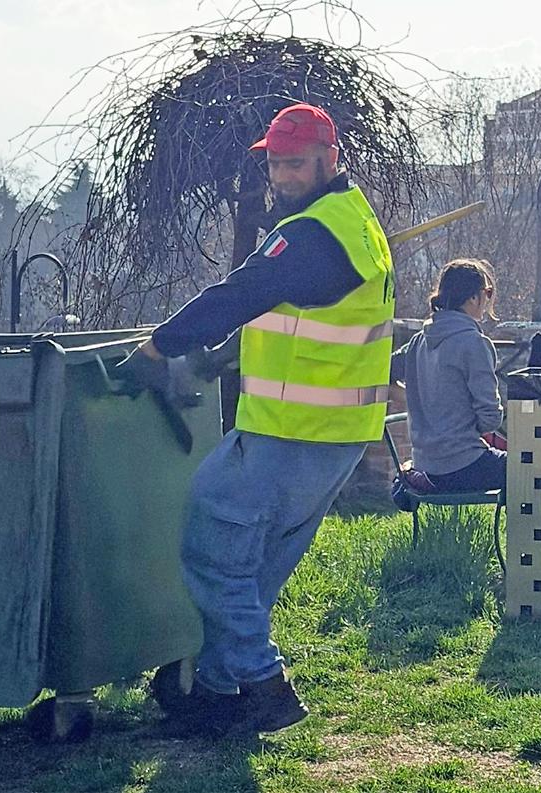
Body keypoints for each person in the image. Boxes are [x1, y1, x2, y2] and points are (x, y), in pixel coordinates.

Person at [118, 103, 394, 736]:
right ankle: (216, 691)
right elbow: (298, 317)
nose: (283, 176)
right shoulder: (354, 222)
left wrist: (161, 346)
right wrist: (222, 356)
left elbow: (239, 295)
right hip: (337, 433)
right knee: (255, 566)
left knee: (212, 553)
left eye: (295, 163)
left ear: (332, 159)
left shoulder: (312, 234)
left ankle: (265, 687)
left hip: (289, 430)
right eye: (275, 163)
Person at [390, 259, 505, 494]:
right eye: (488, 292)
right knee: (533, 471)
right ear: (474, 297)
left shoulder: (416, 342)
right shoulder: (475, 343)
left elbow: (384, 370)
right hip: (464, 464)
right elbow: (491, 418)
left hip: (425, 464)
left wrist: (415, 401)